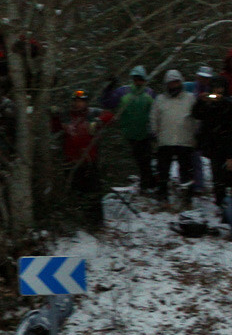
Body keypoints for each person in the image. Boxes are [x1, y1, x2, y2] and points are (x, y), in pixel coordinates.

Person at [51, 90, 115, 224]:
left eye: (81, 101)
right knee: (76, 193)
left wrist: (98, 121)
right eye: (75, 101)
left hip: (89, 161)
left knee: (93, 192)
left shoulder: (93, 113)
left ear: (85, 102)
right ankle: (80, 222)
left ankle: (96, 223)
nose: (78, 103)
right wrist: (55, 117)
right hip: (71, 162)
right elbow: (54, 128)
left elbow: (110, 116)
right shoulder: (66, 115)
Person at [191, 75, 232, 206]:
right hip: (214, 144)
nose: (218, 90)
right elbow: (196, 114)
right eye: (215, 88)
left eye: (220, 87)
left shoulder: (231, 101)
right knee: (217, 175)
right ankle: (221, 202)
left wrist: (222, 100)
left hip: (229, 143)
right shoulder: (209, 103)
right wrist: (201, 101)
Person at [150, 69, 197, 197]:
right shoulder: (160, 99)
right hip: (165, 140)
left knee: (186, 171)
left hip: (185, 140)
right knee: (163, 171)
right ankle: (162, 195)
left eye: (176, 82)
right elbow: (154, 117)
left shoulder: (190, 98)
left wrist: (195, 134)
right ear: (166, 84)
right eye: (170, 83)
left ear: (180, 82)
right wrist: (154, 132)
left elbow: (196, 118)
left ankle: (187, 197)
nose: (173, 85)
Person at [113, 72, 155, 192]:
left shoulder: (149, 93)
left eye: (141, 80)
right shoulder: (125, 92)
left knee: (145, 159)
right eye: (136, 79)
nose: (138, 82)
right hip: (130, 133)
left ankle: (148, 183)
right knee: (140, 159)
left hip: (146, 132)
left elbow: (155, 112)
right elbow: (109, 101)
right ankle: (147, 183)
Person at [183, 66, 215, 193]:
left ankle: (202, 184)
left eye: (206, 78)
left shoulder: (212, 90)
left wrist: (209, 98)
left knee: (205, 155)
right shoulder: (189, 87)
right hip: (191, 124)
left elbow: (216, 99)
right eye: (201, 77)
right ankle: (194, 184)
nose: (203, 80)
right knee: (192, 156)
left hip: (207, 126)